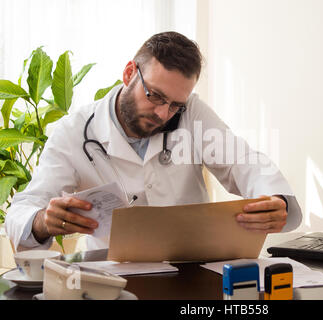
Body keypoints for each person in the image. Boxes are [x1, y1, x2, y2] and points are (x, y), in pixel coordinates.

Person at [6, 32, 302, 251]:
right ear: (129, 73)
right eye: (155, 96)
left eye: (175, 104)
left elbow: (243, 161)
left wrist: (274, 201)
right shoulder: (73, 132)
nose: (163, 113)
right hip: (108, 273)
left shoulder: (192, 113)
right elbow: (24, 208)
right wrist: (43, 221)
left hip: (190, 267)